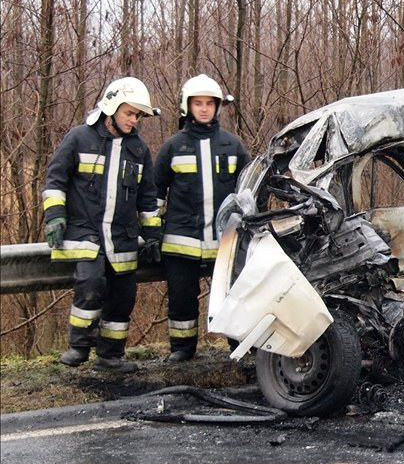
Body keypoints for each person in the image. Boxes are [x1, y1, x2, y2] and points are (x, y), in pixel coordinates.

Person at [42, 77, 162, 372]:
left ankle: (110, 355)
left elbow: (148, 197)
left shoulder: (138, 150)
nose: (134, 120)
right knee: (91, 283)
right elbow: (55, 181)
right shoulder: (79, 138)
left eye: (137, 115)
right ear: (111, 108)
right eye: (129, 113)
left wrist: (153, 235)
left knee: (123, 296)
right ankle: (79, 345)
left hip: (122, 237)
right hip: (85, 233)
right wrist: (55, 217)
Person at [154, 74, 249, 362]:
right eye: (198, 103)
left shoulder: (233, 146)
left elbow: (247, 192)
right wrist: (151, 231)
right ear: (187, 106)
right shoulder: (172, 147)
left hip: (225, 241)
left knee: (233, 295)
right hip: (181, 241)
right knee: (182, 298)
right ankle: (182, 349)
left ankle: (240, 346)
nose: (204, 109)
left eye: (210, 103)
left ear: (218, 107)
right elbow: (156, 193)